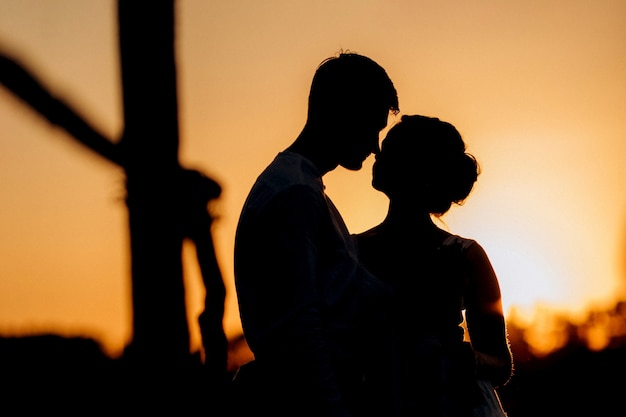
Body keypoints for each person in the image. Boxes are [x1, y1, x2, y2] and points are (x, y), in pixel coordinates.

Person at [231, 52, 400, 417]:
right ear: (342, 113)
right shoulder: (295, 194)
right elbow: (301, 325)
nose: (375, 146)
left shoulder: (298, 186)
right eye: (372, 127)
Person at [355, 115, 513, 417]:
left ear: (418, 170)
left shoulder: (464, 255)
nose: (376, 156)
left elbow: (500, 365)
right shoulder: (350, 250)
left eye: (390, 151)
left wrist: (471, 360)